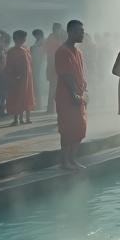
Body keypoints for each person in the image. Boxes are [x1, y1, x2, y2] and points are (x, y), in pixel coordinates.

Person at [55, 19, 88, 170]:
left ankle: (73, 159)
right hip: (66, 96)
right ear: (70, 32)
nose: (82, 34)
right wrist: (75, 93)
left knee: (80, 128)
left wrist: (85, 91)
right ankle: (65, 162)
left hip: (79, 94)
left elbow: (80, 74)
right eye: (79, 31)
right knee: (67, 129)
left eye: (82, 31)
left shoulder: (78, 52)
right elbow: (66, 75)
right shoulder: (62, 51)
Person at [5, 30, 36, 127]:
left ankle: (26, 118)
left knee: (27, 96)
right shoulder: (11, 51)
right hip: (17, 78)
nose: (23, 40)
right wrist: (13, 76)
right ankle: (16, 119)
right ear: (15, 39)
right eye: (21, 38)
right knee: (16, 97)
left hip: (27, 78)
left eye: (24, 38)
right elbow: (9, 65)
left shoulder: (26, 49)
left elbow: (30, 63)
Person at [44, 22, 64, 114]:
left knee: (56, 88)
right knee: (53, 88)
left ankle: (53, 108)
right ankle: (51, 109)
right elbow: (50, 52)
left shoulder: (54, 38)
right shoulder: (52, 39)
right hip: (53, 66)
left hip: (56, 65)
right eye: (58, 29)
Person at [30, 29, 46, 111]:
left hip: (39, 65)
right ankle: (36, 104)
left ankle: (38, 105)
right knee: (36, 85)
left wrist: (33, 49)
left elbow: (41, 53)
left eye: (35, 35)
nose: (35, 37)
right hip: (36, 65)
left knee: (37, 85)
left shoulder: (43, 41)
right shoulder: (38, 41)